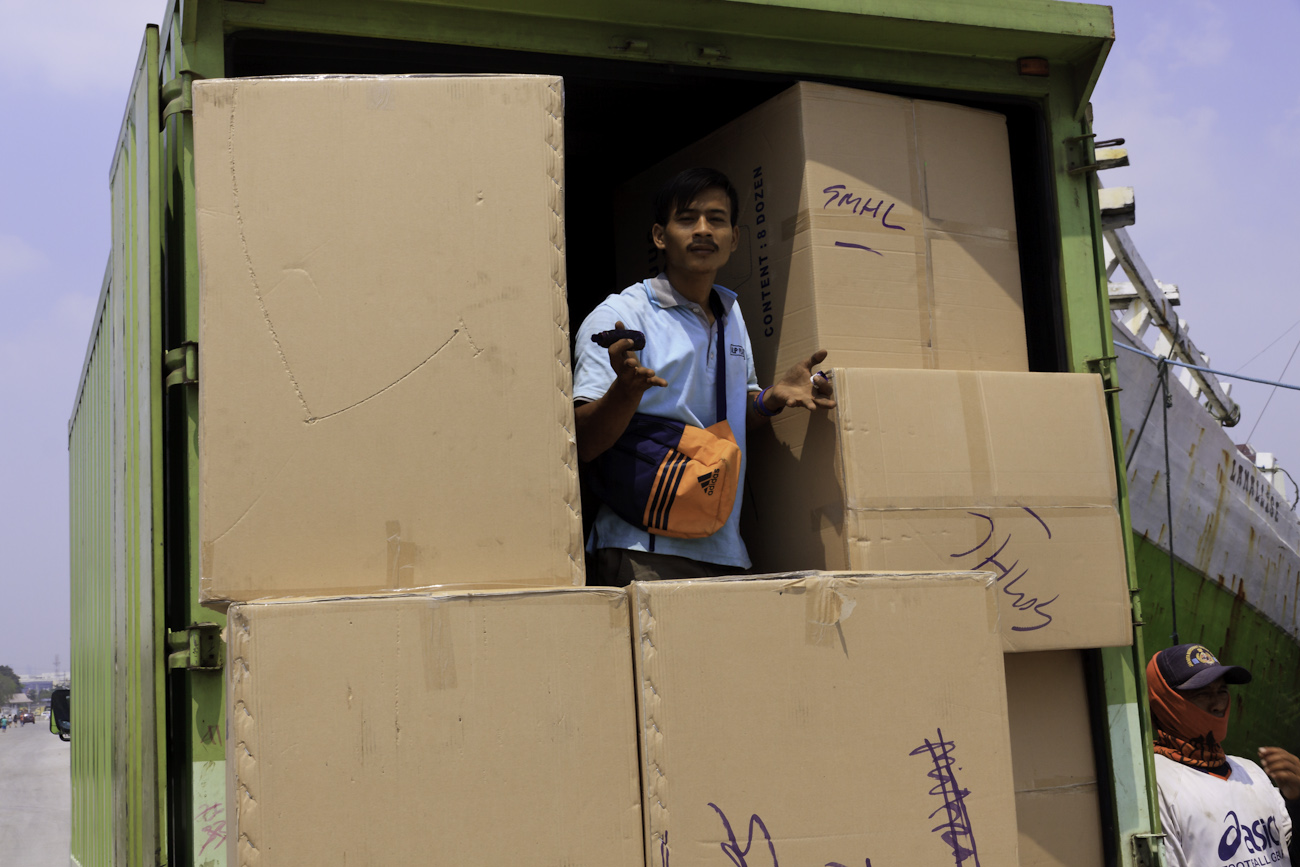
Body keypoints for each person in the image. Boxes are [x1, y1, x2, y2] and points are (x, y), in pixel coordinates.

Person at [573, 167, 835, 584]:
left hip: (725, 549)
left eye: (716, 219)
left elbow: (731, 422)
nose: (702, 230)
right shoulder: (620, 317)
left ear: (734, 237)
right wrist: (625, 393)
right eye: (687, 218)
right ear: (660, 236)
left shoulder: (732, 313)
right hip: (644, 549)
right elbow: (583, 443)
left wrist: (770, 399)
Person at [1147, 643, 1300, 866]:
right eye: (1203, 693)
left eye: (1222, 691)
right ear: (1167, 702)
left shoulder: (1251, 771)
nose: (1218, 703)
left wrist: (1297, 800)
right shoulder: (1156, 784)